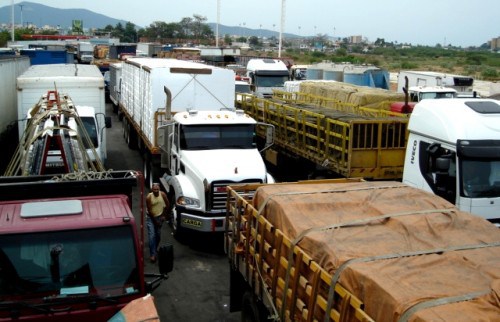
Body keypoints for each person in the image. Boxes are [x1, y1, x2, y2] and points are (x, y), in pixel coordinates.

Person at [146, 183, 169, 263]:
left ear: (159, 189)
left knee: (158, 235)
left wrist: (164, 216)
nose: (156, 191)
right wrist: (156, 222)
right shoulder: (149, 197)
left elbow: (167, 205)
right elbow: (149, 211)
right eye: (154, 190)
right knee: (152, 235)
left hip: (159, 217)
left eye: (157, 190)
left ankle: (154, 248)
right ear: (152, 190)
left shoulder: (162, 195)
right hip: (151, 218)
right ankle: (153, 254)